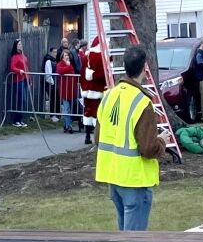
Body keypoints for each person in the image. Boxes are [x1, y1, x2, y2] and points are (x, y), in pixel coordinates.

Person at [94, 44, 164, 232]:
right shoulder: (142, 102)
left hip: (113, 177)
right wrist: (162, 141)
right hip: (134, 179)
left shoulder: (108, 96)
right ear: (144, 68)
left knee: (124, 238)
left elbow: (98, 138)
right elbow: (148, 149)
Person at [80, 38, 107, 148]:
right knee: (98, 114)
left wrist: (83, 86)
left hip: (87, 90)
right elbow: (103, 74)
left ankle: (87, 136)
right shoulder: (103, 57)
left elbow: (82, 73)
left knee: (88, 112)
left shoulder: (87, 56)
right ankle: (98, 138)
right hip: (99, 90)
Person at [5, 41, 30, 127]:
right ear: (16, 46)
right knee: (20, 100)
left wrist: (29, 79)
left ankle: (20, 119)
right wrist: (19, 71)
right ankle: (16, 120)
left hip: (24, 79)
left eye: (21, 44)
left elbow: (26, 67)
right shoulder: (15, 57)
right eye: (19, 44)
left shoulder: (23, 56)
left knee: (24, 100)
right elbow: (12, 67)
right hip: (18, 80)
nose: (20, 46)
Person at [56, 45, 78, 133]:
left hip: (71, 89)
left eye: (68, 55)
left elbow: (73, 74)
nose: (67, 57)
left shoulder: (71, 65)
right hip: (64, 89)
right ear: (62, 56)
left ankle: (65, 125)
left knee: (68, 109)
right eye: (65, 55)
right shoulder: (60, 64)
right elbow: (60, 71)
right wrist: (68, 67)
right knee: (66, 108)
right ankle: (69, 126)